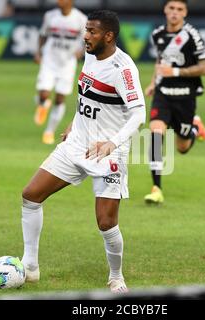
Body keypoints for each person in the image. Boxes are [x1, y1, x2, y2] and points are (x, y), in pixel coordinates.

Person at [21, 10, 146, 293]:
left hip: (107, 153)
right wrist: (73, 122)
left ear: (109, 36)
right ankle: (30, 267)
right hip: (77, 143)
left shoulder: (123, 69)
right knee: (31, 195)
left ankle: (116, 276)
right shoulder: (90, 55)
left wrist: (112, 143)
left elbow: (139, 114)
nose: (85, 36)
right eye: (85, 30)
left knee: (106, 222)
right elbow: (86, 97)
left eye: (91, 31)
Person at [143, 0, 205, 204]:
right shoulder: (157, 35)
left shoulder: (192, 36)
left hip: (185, 96)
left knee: (182, 146)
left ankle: (194, 129)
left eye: (179, 9)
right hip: (163, 95)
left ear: (185, 12)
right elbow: (161, 61)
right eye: (171, 8)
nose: (174, 13)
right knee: (155, 134)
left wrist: (176, 71)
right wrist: (154, 82)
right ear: (165, 10)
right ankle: (156, 188)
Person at [34, 0, 87, 144]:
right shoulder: (50, 16)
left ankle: (49, 131)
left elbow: (87, 39)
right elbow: (43, 35)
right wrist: (38, 53)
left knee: (59, 98)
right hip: (49, 60)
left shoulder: (80, 19)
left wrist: (81, 52)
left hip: (67, 63)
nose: (59, 1)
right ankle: (43, 104)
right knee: (44, 94)